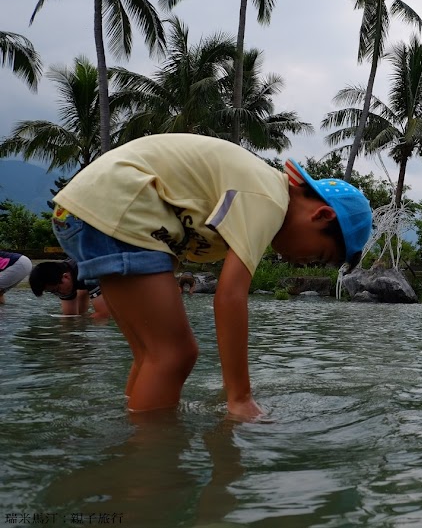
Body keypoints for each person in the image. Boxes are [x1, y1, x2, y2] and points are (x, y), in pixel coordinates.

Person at [49, 133, 373, 421]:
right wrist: (240, 397)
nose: (304, 264)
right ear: (321, 215)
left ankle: (131, 439)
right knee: (175, 355)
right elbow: (230, 297)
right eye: (318, 255)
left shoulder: (260, 192)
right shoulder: (271, 198)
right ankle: (148, 468)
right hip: (116, 208)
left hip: (86, 210)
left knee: (153, 355)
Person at [29, 259, 110, 318]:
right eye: (53, 292)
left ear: (66, 276)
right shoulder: (63, 282)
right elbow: (70, 317)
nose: (59, 293)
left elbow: (102, 314)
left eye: (56, 290)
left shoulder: (87, 271)